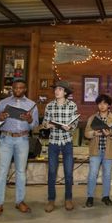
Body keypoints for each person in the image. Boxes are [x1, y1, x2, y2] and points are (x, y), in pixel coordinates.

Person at [0, 79, 38, 219]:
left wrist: (29, 120)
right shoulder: (3, 103)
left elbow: (34, 125)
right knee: (1, 172)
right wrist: (0, 118)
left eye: (21, 88)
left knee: (21, 172)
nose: (18, 90)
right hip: (5, 139)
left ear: (25, 89)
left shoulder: (31, 105)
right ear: (12, 88)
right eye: (15, 88)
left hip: (22, 139)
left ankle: (19, 201)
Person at [42, 80, 78, 212]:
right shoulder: (49, 106)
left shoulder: (72, 105)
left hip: (67, 142)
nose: (57, 91)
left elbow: (75, 123)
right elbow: (44, 123)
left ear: (65, 92)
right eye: (56, 89)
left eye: (60, 89)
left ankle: (68, 199)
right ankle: (51, 200)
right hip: (53, 143)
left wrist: (70, 127)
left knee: (68, 173)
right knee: (52, 172)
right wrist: (48, 125)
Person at [84, 94, 112, 207]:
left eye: (105, 103)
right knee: (92, 174)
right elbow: (86, 133)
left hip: (108, 150)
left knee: (107, 174)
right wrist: (94, 133)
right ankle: (90, 197)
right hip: (95, 150)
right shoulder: (92, 118)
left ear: (109, 105)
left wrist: (109, 133)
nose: (102, 105)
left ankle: (106, 196)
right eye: (100, 103)